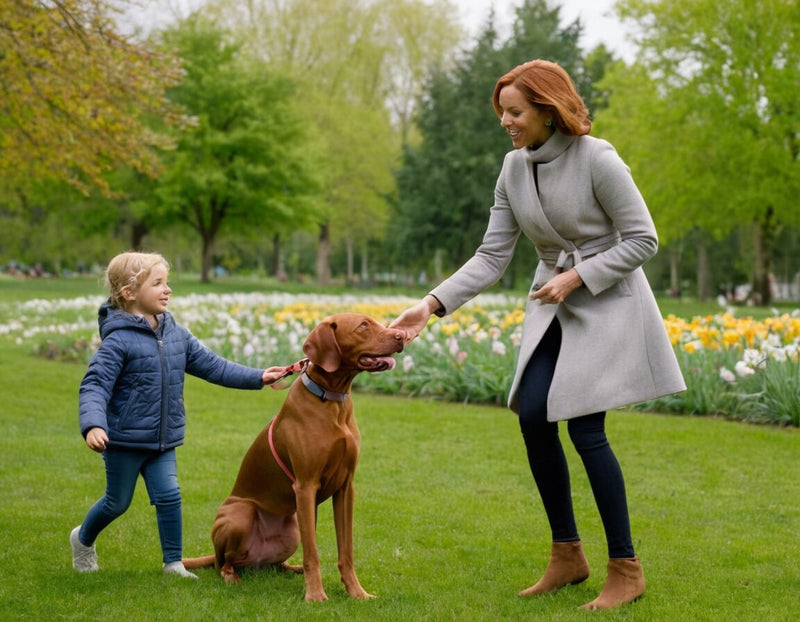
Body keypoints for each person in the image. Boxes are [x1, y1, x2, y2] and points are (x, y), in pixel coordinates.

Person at [390, 59, 685, 610]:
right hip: (552, 300)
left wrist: (579, 275)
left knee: (585, 426)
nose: (506, 121)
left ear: (548, 110)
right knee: (532, 411)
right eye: (502, 111)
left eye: (516, 111)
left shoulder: (598, 158)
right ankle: (568, 555)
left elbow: (644, 239)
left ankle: (626, 567)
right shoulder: (512, 168)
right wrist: (430, 306)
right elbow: (491, 255)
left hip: (607, 302)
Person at [71, 251, 295, 578]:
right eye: (158, 283)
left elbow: (214, 366)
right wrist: (93, 425)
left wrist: (258, 377)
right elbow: (95, 385)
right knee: (116, 503)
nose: (168, 290)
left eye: (167, 282)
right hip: (123, 441)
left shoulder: (176, 334)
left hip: (163, 440)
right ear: (129, 293)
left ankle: (173, 563)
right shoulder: (118, 342)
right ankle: (83, 538)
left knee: (169, 495)